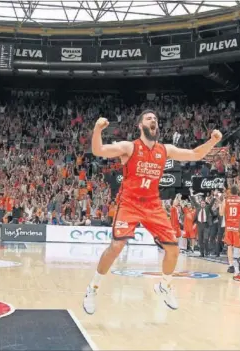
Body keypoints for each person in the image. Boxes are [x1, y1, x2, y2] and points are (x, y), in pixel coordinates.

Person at [83, 110, 222, 314]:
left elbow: (195, 154)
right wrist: (97, 130)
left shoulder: (165, 150)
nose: (153, 120)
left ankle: (164, 286)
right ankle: (92, 289)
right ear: (140, 126)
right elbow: (98, 150)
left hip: (152, 205)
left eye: (155, 118)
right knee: (116, 246)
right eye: (149, 118)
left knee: (173, 249)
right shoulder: (129, 147)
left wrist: (212, 141)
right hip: (129, 203)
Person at [221, 185, 240, 274]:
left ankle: (231, 266)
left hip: (229, 226)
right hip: (238, 226)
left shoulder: (225, 201)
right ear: (237, 192)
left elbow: (221, 213)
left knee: (229, 246)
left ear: (230, 192)